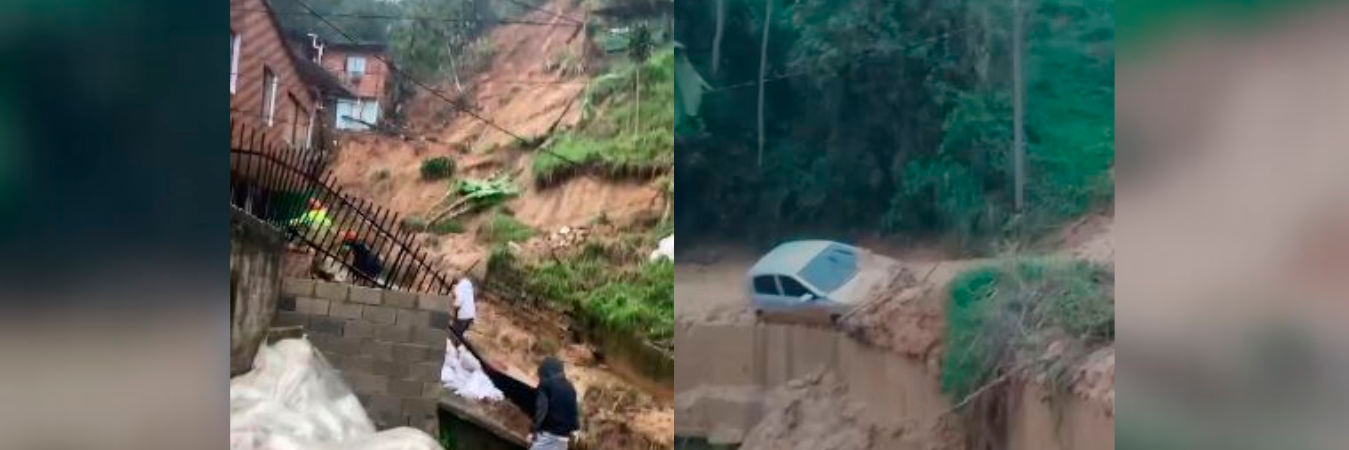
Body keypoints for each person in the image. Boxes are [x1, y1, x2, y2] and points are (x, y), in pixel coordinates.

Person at [528, 357, 579, 450]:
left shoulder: (546, 385)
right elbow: (573, 413)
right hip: (564, 438)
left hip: (550, 435)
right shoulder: (570, 388)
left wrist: (533, 430)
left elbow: (541, 410)